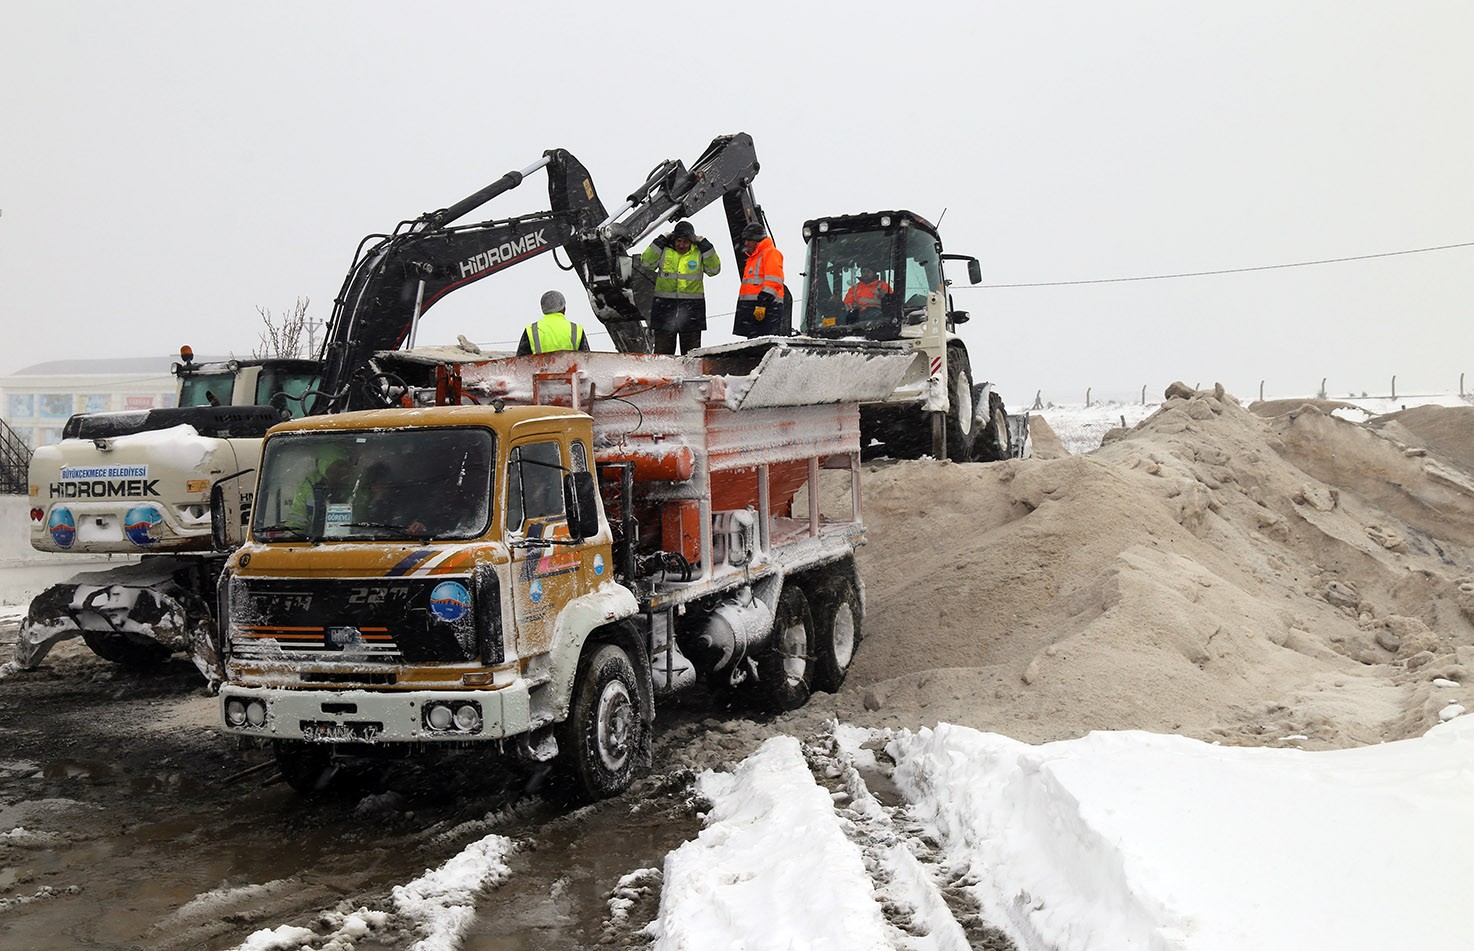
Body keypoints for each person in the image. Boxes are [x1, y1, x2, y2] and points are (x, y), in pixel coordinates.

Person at [640, 220, 721, 354]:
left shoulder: (699, 253)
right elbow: (646, 262)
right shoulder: (664, 251)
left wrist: (707, 247)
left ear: (691, 241)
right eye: (679, 241)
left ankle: (690, 376)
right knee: (663, 356)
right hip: (665, 311)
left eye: (685, 241)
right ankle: (663, 376)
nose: (681, 245)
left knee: (691, 357)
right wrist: (659, 241)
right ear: (673, 239)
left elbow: (714, 270)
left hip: (692, 312)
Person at [732, 221, 785, 339]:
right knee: (754, 349)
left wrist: (762, 304)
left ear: (757, 240)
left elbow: (774, 282)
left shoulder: (770, 253)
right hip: (755, 310)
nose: (746, 243)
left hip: (767, 309)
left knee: (763, 346)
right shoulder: (753, 257)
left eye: (749, 240)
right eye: (745, 240)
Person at [285, 446, 353, 535]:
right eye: (338, 465)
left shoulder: (353, 486)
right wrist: (292, 538)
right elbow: (297, 519)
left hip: (350, 543)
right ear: (325, 465)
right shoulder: (308, 486)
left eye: (344, 466)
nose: (342, 470)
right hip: (313, 544)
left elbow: (362, 517)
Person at [517, 290, 592, 355]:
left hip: (540, 371)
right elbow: (586, 360)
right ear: (563, 307)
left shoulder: (532, 330)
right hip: (570, 371)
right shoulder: (576, 329)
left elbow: (521, 362)